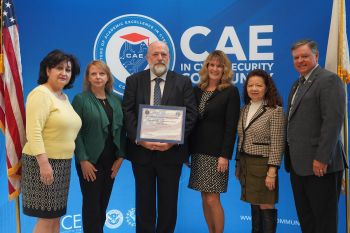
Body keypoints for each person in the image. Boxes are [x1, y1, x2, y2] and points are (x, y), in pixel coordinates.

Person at [122, 41, 197, 233]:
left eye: (164, 54)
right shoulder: (133, 81)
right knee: (144, 203)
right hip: (141, 153)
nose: (160, 58)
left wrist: (172, 141)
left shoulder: (183, 82)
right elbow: (128, 112)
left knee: (168, 204)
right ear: (147, 58)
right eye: (155, 54)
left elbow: (191, 115)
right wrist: (140, 139)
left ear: (169, 58)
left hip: (171, 154)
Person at [285, 39, 346, 233]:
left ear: (316, 56)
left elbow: (333, 122)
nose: (300, 60)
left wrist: (321, 158)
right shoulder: (297, 84)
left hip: (321, 166)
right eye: (296, 57)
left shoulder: (328, 80)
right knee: (308, 221)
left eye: (305, 56)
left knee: (324, 224)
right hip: (299, 166)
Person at [21, 49, 81, 233]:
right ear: (48, 70)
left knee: (55, 218)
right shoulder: (40, 94)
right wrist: (44, 163)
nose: (64, 73)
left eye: (68, 70)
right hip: (43, 163)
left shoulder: (63, 97)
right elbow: (34, 131)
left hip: (61, 164)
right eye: (59, 68)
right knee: (47, 220)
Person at [188, 50, 240, 233]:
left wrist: (225, 155)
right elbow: (190, 121)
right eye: (212, 64)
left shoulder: (230, 91)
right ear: (207, 66)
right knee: (204, 197)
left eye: (219, 65)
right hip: (198, 151)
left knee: (212, 198)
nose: (215, 68)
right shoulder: (197, 89)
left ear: (224, 69)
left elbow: (231, 127)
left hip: (216, 154)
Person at [72, 60, 125, 233]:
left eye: (101, 73)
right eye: (93, 74)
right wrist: (83, 160)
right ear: (88, 77)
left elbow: (122, 131)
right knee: (91, 206)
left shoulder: (117, 99)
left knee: (102, 204)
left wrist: (121, 158)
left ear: (108, 76)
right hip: (90, 161)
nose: (98, 77)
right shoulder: (80, 99)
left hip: (111, 161)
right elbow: (75, 133)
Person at [235, 69, 284, 233]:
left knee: (266, 205)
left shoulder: (274, 110)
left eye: (258, 85)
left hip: (263, 166)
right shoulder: (244, 109)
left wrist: (272, 171)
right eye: (250, 85)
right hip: (246, 164)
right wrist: (237, 164)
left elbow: (277, 143)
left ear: (266, 88)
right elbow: (240, 139)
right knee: (254, 204)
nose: (254, 88)